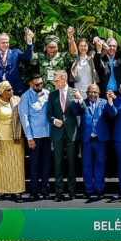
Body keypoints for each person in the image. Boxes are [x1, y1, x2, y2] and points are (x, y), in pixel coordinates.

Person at [47, 71, 80, 201]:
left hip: (71, 133)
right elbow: (49, 114)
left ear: (64, 79)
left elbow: (81, 111)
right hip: (57, 133)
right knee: (58, 163)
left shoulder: (74, 92)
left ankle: (72, 190)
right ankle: (59, 191)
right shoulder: (52, 95)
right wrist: (54, 121)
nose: (54, 83)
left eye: (56, 81)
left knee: (72, 163)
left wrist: (78, 100)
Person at [0, 81, 24, 200]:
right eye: (8, 90)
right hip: (1, 140)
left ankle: (17, 191)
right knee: (1, 167)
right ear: (1, 91)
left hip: (16, 138)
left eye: (11, 89)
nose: (11, 91)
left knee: (16, 166)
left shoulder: (17, 100)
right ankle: (1, 191)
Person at [18, 73, 52, 201]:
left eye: (41, 84)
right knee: (34, 163)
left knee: (46, 163)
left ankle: (45, 188)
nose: (40, 86)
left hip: (47, 134)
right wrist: (29, 137)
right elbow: (24, 117)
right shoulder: (25, 97)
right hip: (34, 136)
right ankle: (34, 189)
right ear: (30, 84)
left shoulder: (47, 93)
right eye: (37, 84)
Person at [0, 28, 36, 96]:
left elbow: (28, 57)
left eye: (7, 42)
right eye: (3, 42)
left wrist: (29, 41)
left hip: (14, 87)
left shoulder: (15, 53)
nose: (5, 45)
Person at [79, 83, 111, 201]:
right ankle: (88, 189)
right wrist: (77, 99)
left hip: (100, 139)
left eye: (96, 92)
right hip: (86, 139)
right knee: (86, 165)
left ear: (99, 93)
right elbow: (75, 111)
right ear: (87, 93)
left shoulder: (104, 102)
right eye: (91, 92)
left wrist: (111, 102)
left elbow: (112, 113)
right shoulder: (82, 103)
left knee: (100, 165)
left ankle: (99, 189)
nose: (93, 94)